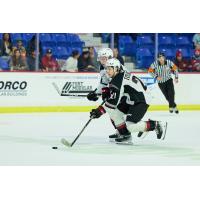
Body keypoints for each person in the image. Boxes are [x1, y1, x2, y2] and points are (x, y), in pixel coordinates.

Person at [89, 58, 164, 144]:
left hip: (141, 100)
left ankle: (155, 125)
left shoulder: (118, 80)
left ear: (116, 69)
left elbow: (113, 103)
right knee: (114, 113)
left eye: (110, 69)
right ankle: (125, 134)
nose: (107, 71)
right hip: (132, 99)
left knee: (130, 126)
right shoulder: (118, 76)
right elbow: (114, 99)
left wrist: (99, 111)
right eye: (106, 69)